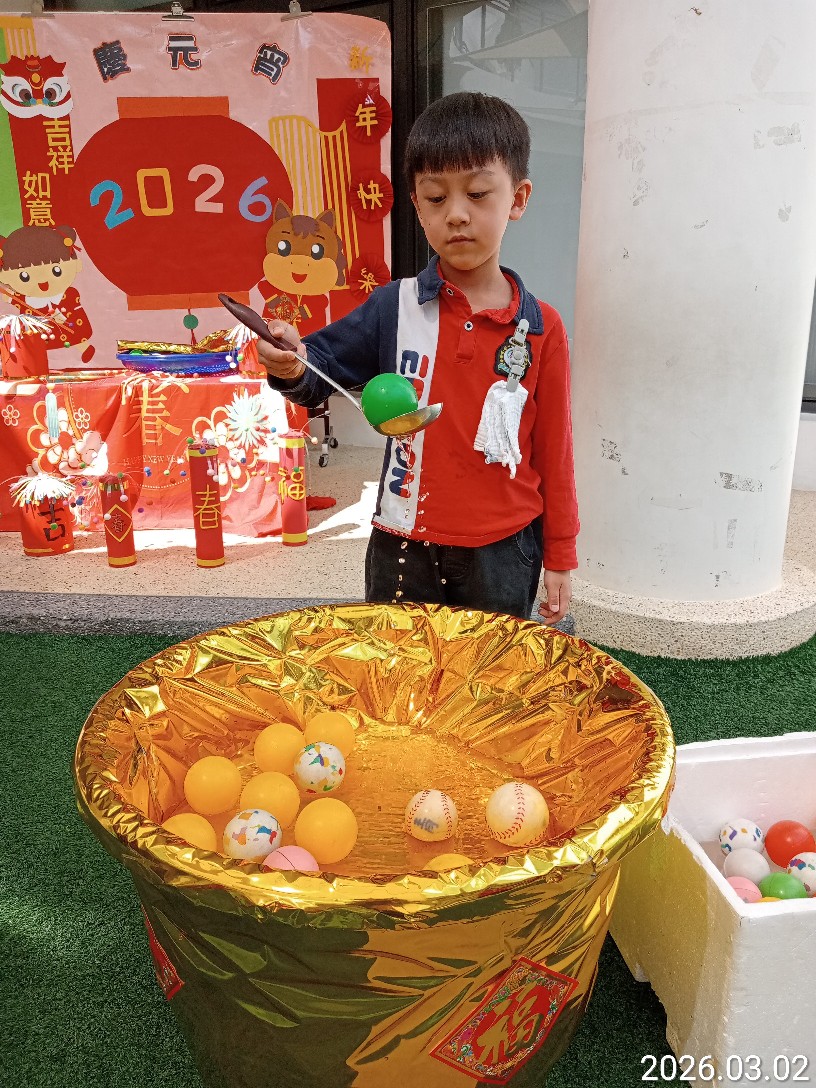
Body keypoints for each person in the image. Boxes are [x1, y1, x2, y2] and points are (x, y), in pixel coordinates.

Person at [258, 91, 579, 623]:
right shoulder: (395, 306)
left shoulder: (542, 327)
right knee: (399, 672)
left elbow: (555, 451)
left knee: (487, 672)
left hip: (505, 551)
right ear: (416, 205)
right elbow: (319, 369)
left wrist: (560, 554)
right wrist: (290, 362)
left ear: (518, 199)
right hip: (402, 542)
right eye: (435, 198)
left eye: (478, 193)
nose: (456, 214)